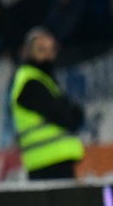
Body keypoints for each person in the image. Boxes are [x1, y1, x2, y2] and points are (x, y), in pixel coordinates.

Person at [9, 27, 85, 180]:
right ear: (27, 52)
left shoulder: (44, 79)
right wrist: (74, 113)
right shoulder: (30, 82)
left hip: (51, 160)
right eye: (41, 49)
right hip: (47, 163)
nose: (48, 55)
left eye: (51, 49)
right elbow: (66, 116)